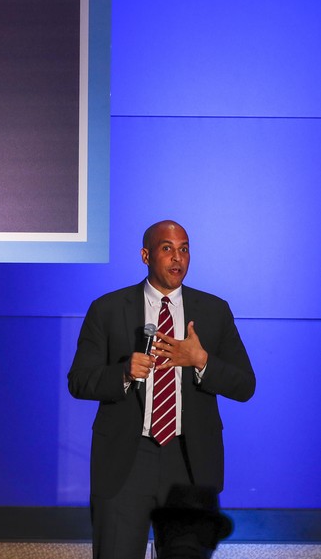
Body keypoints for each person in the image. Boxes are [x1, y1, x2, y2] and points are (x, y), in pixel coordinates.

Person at [67, 220, 255, 559]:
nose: (177, 258)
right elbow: (79, 381)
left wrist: (201, 361)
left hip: (189, 461)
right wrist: (123, 372)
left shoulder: (214, 311)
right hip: (127, 459)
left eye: (184, 249)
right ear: (145, 255)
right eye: (167, 248)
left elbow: (245, 385)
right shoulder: (108, 309)